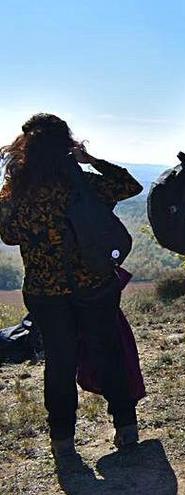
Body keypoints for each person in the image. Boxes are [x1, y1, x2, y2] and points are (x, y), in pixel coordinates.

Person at [0, 113, 143, 460]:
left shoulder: (17, 193)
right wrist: (90, 160)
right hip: (93, 284)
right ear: (67, 144)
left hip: (45, 292)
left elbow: (8, 234)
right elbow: (130, 185)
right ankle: (125, 426)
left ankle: (62, 439)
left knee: (60, 363)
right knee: (107, 353)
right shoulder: (83, 183)